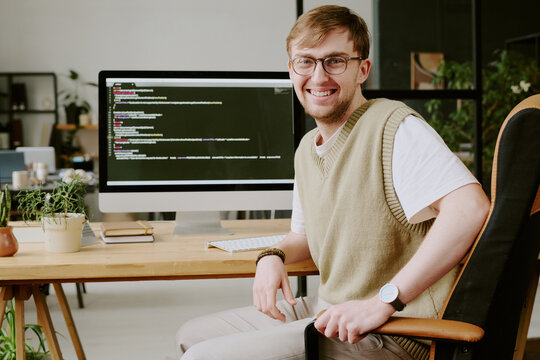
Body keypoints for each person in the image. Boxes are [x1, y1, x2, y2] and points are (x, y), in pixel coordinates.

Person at [175, 5, 490, 360]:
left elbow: (470, 207)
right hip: (331, 311)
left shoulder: (394, 126)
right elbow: (303, 237)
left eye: (335, 61)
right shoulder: (308, 149)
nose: (319, 76)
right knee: (191, 337)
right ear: (291, 71)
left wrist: (386, 300)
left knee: (203, 358)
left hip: (393, 330)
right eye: (305, 61)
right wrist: (272, 256)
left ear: (362, 70)